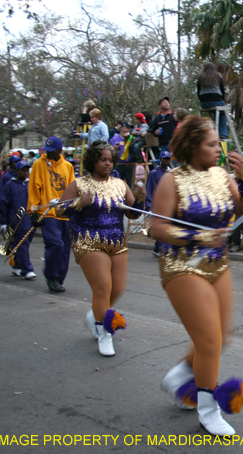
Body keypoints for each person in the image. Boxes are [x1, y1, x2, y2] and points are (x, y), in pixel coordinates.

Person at [150, 116, 243, 436]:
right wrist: (196, 237)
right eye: (211, 144)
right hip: (182, 264)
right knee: (209, 340)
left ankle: (182, 373)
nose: (217, 149)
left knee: (222, 335)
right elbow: (156, 228)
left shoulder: (224, 176)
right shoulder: (172, 179)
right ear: (193, 146)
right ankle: (208, 410)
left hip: (217, 263)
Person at [57, 141, 146, 356]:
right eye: (102, 159)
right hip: (88, 240)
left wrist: (140, 200)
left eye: (110, 160)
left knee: (117, 289)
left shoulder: (120, 184)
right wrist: (80, 203)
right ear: (93, 161)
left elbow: (133, 214)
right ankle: (105, 332)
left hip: (117, 241)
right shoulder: (79, 184)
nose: (107, 163)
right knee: (103, 288)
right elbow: (60, 210)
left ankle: (95, 315)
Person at [28, 137, 76, 293]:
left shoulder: (68, 166)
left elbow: (72, 189)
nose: (47, 153)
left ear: (59, 151)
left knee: (65, 248)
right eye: (46, 151)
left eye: (51, 151)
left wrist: (73, 208)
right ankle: (51, 276)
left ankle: (58, 278)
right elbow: (34, 188)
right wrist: (33, 211)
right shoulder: (38, 164)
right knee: (55, 244)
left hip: (63, 213)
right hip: (47, 213)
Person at [0, 160, 35, 279]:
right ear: (17, 171)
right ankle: (27, 270)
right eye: (22, 170)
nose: (25, 172)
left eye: (26, 170)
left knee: (24, 243)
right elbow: (4, 203)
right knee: (22, 242)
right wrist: (3, 221)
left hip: (29, 219)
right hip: (16, 219)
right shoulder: (10, 184)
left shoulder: (30, 184)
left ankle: (17, 265)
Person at [146, 151, 172, 257]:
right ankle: (161, 248)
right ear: (160, 159)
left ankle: (158, 248)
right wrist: (149, 206)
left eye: (168, 158)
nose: (166, 160)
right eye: (164, 158)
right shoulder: (154, 173)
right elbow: (149, 189)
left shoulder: (171, 172)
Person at [196, 63, 229, 139]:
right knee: (223, 112)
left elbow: (198, 91)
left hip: (204, 101)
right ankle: (223, 134)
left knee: (216, 113)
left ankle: (213, 132)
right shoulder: (218, 75)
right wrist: (223, 101)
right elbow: (222, 90)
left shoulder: (200, 77)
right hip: (216, 99)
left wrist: (202, 101)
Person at [0, 154, 20, 221]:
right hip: (10, 208)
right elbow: (0, 194)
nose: (17, 164)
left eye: (18, 161)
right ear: (11, 163)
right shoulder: (6, 177)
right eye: (15, 162)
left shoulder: (22, 175)